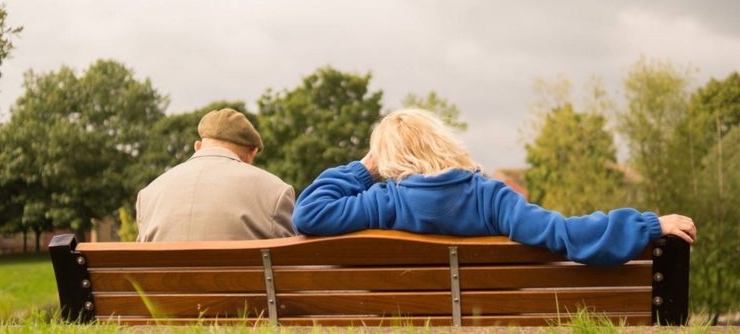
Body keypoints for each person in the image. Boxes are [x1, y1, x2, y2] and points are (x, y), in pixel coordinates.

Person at [292, 108, 696, 265]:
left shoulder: (383, 201)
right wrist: (648, 225)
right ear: (442, 142)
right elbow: (563, 233)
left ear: (389, 160)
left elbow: (309, 213)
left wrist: (364, 169)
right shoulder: (491, 197)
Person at [136, 108, 296, 241]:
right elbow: (290, 263)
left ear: (198, 146)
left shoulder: (148, 195)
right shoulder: (276, 192)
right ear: (252, 153)